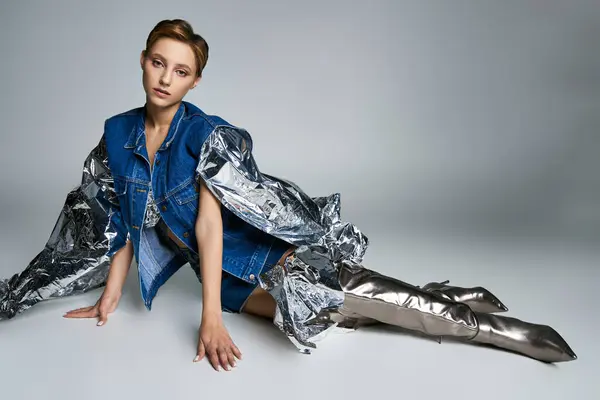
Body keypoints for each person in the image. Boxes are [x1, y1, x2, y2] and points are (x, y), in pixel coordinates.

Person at [1, 19, 576, 372]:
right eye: (158, 63)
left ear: (194, 80)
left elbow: (208, 225)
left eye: (180, 70)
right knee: (339, 318)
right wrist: (110, 296)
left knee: (373, 302)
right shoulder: (118, 134)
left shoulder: (205, 133)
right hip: (226, 282)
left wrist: (208, 324)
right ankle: (446, 295)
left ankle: (506, 333)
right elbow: (121, 222)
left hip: (270, 256)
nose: (164, 78)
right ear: (144, 60)